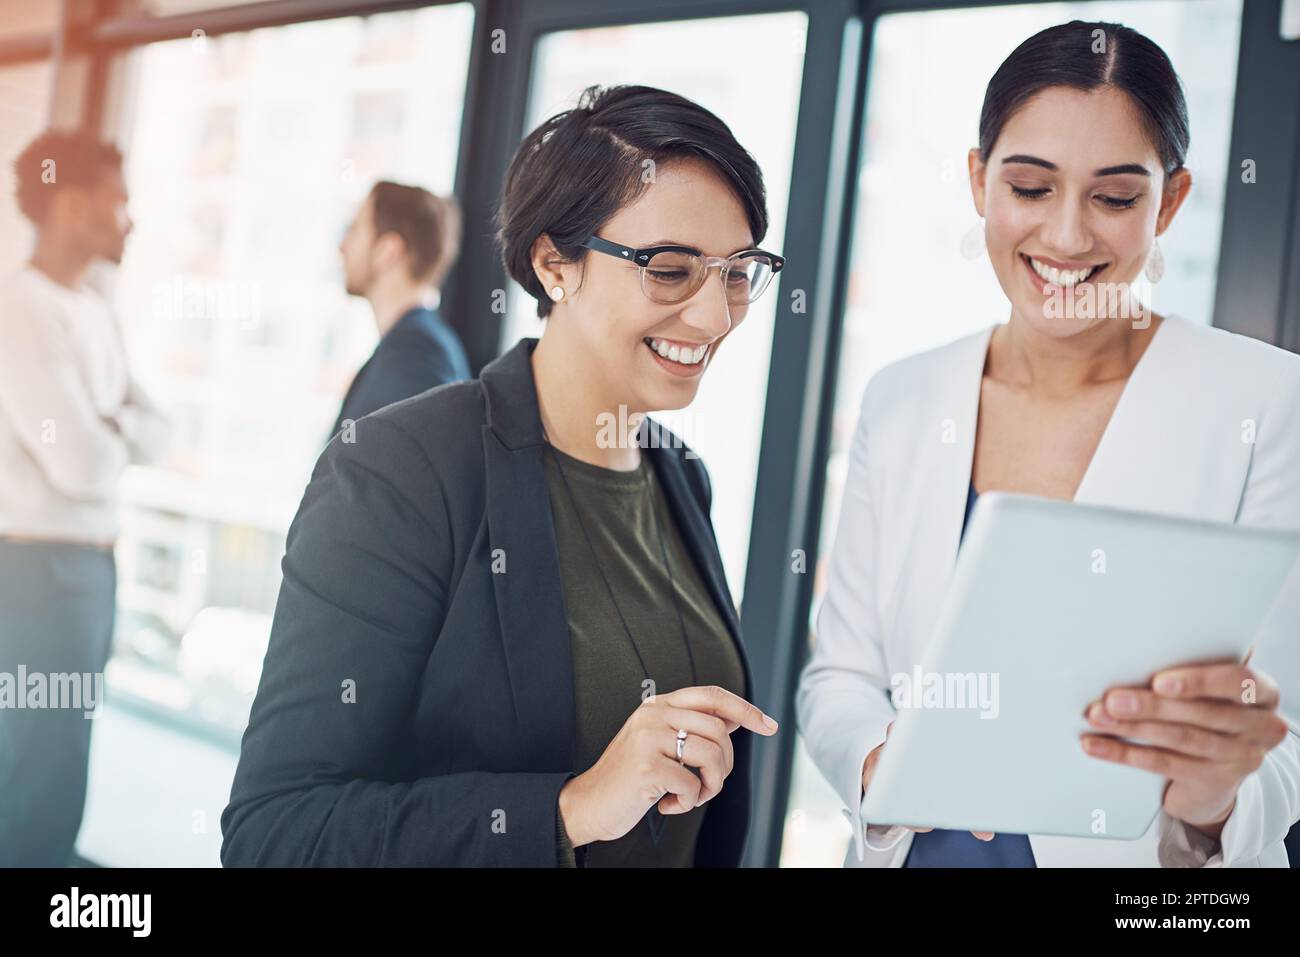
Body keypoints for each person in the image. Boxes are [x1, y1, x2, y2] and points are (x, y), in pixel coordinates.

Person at [221, 84, 785, 867]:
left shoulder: (682, 476)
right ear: (556, 263)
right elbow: (277, 831)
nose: (715, 317)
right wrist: (567, 808)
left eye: (736, 272)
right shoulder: (403, 469)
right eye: (669, 269)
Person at [796, 20, 1300, 868]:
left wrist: (1215, 794)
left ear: (1170, 202)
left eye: (1113, 197)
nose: (1066, 238)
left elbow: (1285, 733)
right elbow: (838, 677)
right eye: (1030, 187)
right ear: (977, 180)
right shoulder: (905, 399)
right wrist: (883, 765)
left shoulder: (1270, 403)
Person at [0, 129, 170, 866]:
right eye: (119, 202)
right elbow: (82, 463)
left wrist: (115, 425)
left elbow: (160, 429)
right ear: (70, 206)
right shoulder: (20, 310)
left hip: (88, 571)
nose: (129, 219)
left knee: (60, 757)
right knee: (38, 770)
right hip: (38, 576)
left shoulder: (96, 311)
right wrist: (114, 429)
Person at [331, 180, 469, 438]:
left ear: (388, 251)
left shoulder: (417, 357)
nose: (342, 246)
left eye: (354, 230)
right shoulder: (414, 347)